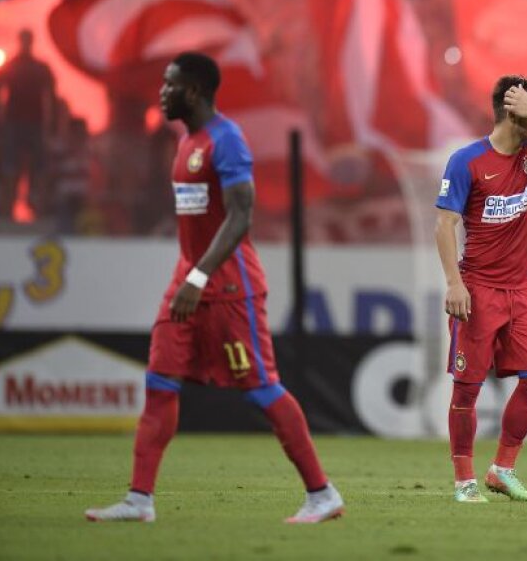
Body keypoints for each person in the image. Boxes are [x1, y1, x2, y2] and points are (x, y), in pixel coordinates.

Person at [85, 52, 343, 524]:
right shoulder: (187, 141)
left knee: (261, 389)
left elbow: (241, 215)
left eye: (169, 85)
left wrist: (200, 276)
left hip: (228, 286)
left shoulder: (227, 141)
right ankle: (139, 501)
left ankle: (322, 494)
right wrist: (189, 276)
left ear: (194, 91)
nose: (161, 93)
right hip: (186, 279)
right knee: (159, 382)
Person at [434, 74, 527, 504]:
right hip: (478, 290)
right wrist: (454, 283)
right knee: (468, 387)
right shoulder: (467, 160)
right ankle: (464, 481)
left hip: (524, 290)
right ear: (509, 111)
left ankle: (502, 470)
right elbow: (445, 223)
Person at [0, 28, 56, 218]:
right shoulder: (11, 66)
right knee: (10, 167)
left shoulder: (40, 68)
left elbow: (51, 98)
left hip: (35, 123)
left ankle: (35, 207)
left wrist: (51, 126)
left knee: (36, 169)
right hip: (13, 122)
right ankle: (8, 208)